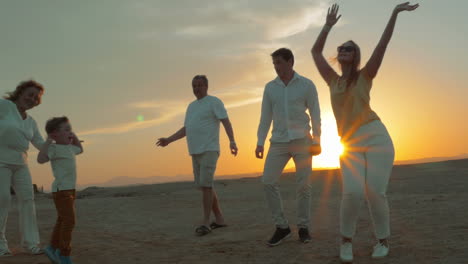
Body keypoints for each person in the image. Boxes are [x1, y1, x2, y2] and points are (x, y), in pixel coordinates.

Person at [311, 2, 419, 262]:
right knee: (353, 192)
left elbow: (383, 44)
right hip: (349, 143)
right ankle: (346, 241)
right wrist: (327, 27)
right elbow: (315, 52)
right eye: (340, 48)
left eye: (348, 48)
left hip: (375, 136)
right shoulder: (332, 80)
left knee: (375, 192)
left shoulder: (365, 75)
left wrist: (395, 13)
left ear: (356, 55)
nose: (342, 50)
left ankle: (382, 240)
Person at [156, 75, 238, 236]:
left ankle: (206, 223)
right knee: (205, 186)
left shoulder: (214, 102)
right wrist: (169, 140)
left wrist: (232, 141)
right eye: (194, 86)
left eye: (199, 85)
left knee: (206, 186)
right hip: (195, 151)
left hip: (209, 149)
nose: (196, 88)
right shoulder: (191, 107)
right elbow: (186, 129)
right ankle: (219, 219)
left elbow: (226, 121)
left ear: (206, 86)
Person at [256, 48, 321, 246]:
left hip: (302, 140)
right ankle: (282, 227)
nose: (276, 67)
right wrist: (260, 142)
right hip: (278, 142)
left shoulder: (307, 85)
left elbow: (316, 113)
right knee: (268, 181)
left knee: (303, 186)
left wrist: (317, 140)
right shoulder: (270, 88)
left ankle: (303, 228)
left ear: (290, 62)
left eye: (279, 62)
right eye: (274, 63)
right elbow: (265, 117)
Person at [0, 80, 46, 256]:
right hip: (1, 161)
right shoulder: (4, 106)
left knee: (27, 200)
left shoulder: (31, 122)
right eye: (30, 94)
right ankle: (0, 245)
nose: (33, 99)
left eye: (36, 98)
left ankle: (31, 244)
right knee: (2, 200)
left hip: (21, 164)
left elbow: (40, 143)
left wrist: (61, 145)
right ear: (20, 92)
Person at [38, 116, 83, 264]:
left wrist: (73, 135)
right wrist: (49, 141)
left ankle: (52, 248)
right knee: (69, 221)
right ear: (55, 134)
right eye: (67, 130)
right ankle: (64, 254)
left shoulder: (70, 148)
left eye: (71, 129)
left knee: (62, 220)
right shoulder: (54, 148)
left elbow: (81, 149)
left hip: (70, 190)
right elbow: (41, 159)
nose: (71, 132)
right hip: (61, 191)